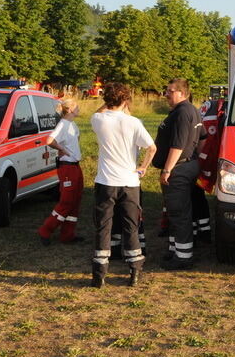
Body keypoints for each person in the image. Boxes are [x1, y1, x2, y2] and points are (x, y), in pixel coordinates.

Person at [89, 83, 156, 288]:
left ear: (106, 99)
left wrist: (107, 102)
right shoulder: (133, 122)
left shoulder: (97, 119)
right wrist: (142, 167)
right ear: (126, 100)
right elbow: (152, 148)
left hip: (106, 182)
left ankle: (99, 274)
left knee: (103, 227)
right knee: (131, 227)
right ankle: (134, 271)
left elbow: (99, 111)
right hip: (129, 182)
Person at [153, 78, 202, 270]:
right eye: (166, 90)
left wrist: (167, 169)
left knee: (178, 212)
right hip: (188, 165)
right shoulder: (193, 110)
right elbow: (203, 138)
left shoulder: (182, 113)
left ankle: (183, 257)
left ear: (183, 93)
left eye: (170, 91)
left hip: (179, 168)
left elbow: (178, 145)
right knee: (177, 211)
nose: (166, 94)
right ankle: (175, 249)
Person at [37, 98, 84, 245]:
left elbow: (75, 139)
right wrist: (62, 149)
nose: (79, 108)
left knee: (75, 200)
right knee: (67, 200)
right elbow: (50, 140)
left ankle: (67, 235)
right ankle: (46, 230)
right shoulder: (63, 124)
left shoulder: (72, 124)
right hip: (67, 167)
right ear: (69, 109)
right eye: (76, 106)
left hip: (75, 165)